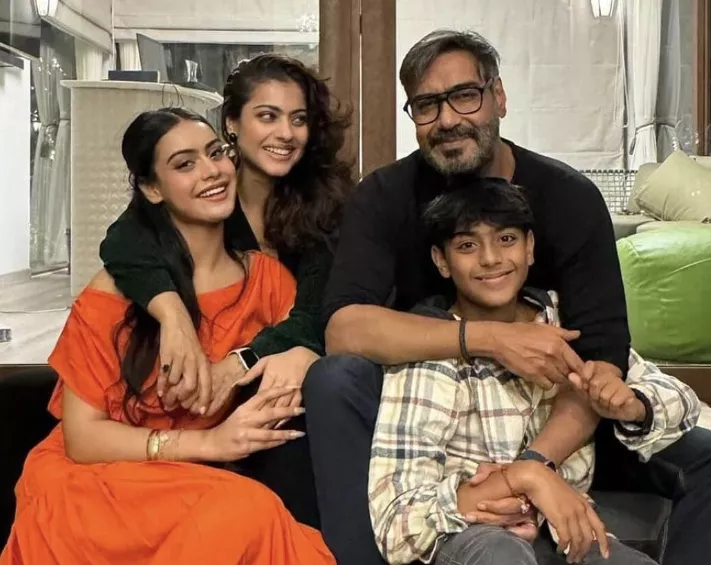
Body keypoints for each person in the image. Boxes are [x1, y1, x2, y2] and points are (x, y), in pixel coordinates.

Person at [302, 29, 711, 565]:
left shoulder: (569, 199)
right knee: (334, 379)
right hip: (436, 419)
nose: (447, 118)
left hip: (562, 423)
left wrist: (534, 466)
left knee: (704, 458)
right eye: (426, 105)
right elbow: (344, 330)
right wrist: (493, 339)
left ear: (499, 96)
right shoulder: (382, 197)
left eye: (464, 95)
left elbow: (602, 356)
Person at [0, 108, 336, 565]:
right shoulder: (113, 293)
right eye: (184, 164)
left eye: (215, 153)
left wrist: (302, 355)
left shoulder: (268, 281)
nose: (211, 171)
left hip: (202, 483)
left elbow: (304, 336)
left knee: (254, 519)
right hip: (96, 482)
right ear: (151, 189)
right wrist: (210, 443)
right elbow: (82, 438)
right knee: (245, 512)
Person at [368, 180, 700, 565]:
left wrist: (633, 405)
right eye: (467, 246)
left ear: (530, 247)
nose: (490, 258)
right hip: (471, 532)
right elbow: (398, 525)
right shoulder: (430, 350)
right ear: (441, 261)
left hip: (561, 525)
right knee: (503, 555)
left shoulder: (564, 323)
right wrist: (525, 477)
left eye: (506, 239)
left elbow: (684, 404)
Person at [98, 54, 352, 526]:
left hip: (276, 390)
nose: (286, 133)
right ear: (232, 123)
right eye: (268, 116)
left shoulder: (329, 204)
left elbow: (317, 313)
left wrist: (245, 361)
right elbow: (121, 243)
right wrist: (174, 318)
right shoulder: (207, 191)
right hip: (190, 407)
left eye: (298, 119)